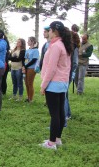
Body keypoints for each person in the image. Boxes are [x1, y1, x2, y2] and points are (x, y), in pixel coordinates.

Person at [40, 21, 72, 150]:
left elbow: (51, 68)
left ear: (54, 31)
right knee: (60, 112)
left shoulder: (55, 46)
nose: (49, 32)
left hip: (53, 84)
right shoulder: (64, 45)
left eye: (50, 30)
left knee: (55, 114)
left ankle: (51, 143)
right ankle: (57, 139)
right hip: (62, 83)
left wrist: (43, 85)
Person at [64, 29, 79, 127]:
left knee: (63, 95)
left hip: (67, 74)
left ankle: (64, 116)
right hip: (66, 73)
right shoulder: (67, 46)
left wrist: (70, 72)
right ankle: (68, 114)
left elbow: (75, 63)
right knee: (65, 94)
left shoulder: (73, 47)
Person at [22, 36, 39, 102]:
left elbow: (34, 60)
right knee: (26, 83)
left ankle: (31, 99)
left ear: (32, 42)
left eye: (29, 41)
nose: (27, 42)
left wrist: (26, 66)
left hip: (31, 68)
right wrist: (24, 66)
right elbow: (25, 59)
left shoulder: (36, 50)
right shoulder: (28, 50)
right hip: (26, 67)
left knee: (30, 83)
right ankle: (28, 96)